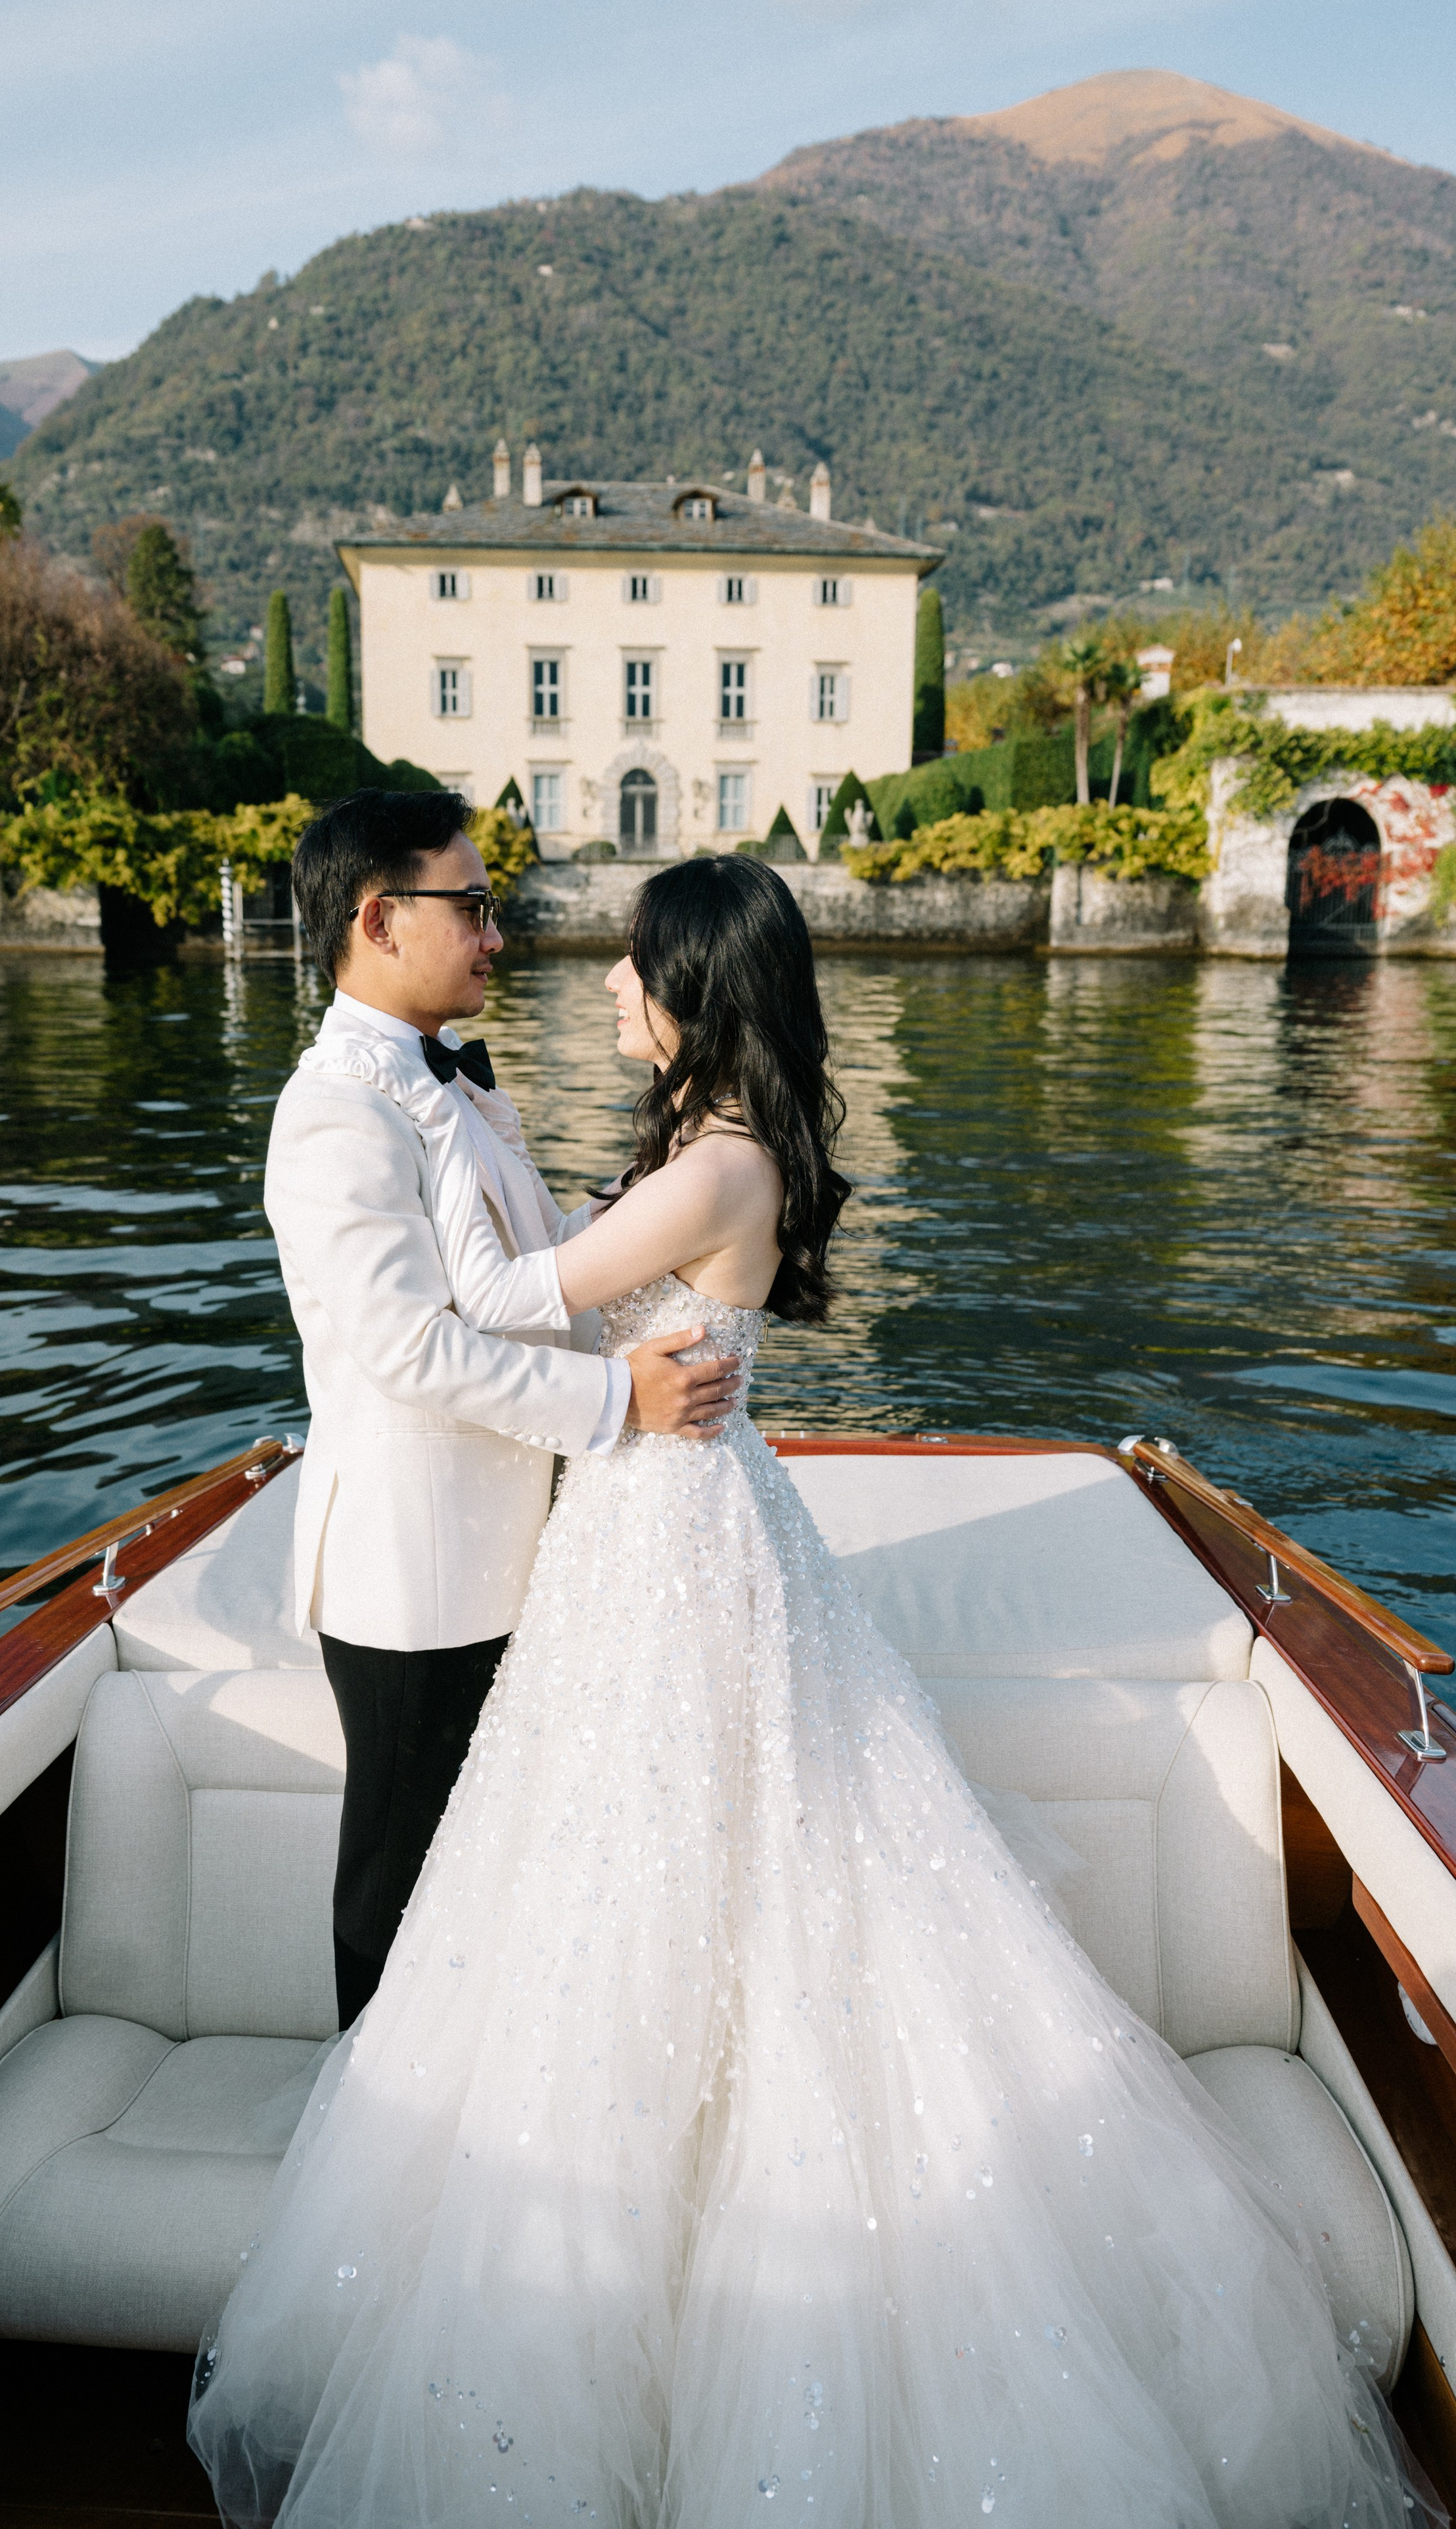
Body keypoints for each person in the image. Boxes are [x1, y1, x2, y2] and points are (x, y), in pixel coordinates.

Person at [196, 854, 1431, 2528]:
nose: (607, 987)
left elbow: (492, 1298)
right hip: (666, 1515)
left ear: (694, 989)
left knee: (656, 1865)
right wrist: (486, 1175)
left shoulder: (710, 1166)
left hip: (661, 1529)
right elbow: (566, 1275)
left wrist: (445, 1162)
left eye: (635, 969)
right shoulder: (703, 1152)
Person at [265, 790, 740, 2028]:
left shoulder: (457, 1088)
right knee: (401, 1873)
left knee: (484, 1869)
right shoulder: (337, 1111)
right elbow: (410, 1348)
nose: (496, 933)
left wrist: (634, 1218)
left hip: (513, 1549)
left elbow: (520, 1271)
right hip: (415, 1567)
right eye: (471, 907)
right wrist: (620, 1398)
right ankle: (368, 2132)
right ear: (380, 920)